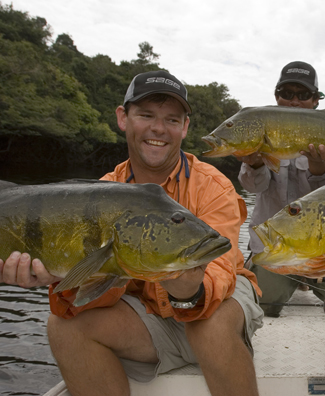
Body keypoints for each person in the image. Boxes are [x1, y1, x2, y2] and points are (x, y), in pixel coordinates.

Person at [0, 70, 264, 396]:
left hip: (217, 303)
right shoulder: (104, 192)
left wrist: (189, 291)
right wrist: (58, 280)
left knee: (210, 322)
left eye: (171, 119)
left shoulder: (214, 187)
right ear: (123, 118)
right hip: (148, 318)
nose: (158, 128)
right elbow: (95, 288)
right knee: (64, 327)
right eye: (146, 115)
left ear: (184, 127)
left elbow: (220, 274)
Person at [237, 61, 325, 317]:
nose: (294, 101)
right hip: (274, 249)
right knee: (264, 304)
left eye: (303, 95)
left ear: (316, 100)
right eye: (287, 94)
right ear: (276, 97)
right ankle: (285, 280)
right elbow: (253, 186)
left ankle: (303, 280)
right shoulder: (261, 131)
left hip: (322, 251)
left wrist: (318, 167)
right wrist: (254, 162)